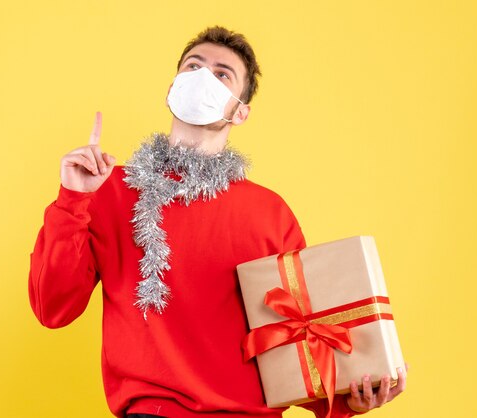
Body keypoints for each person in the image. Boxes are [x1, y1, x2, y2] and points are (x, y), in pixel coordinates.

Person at [28, 26, 407, 418]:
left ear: (239, 111)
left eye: (222, 73)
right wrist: (73, 198)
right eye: (193, 67)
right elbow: (53, 308)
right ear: (172, 88)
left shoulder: (270, 212)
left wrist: (347, 398)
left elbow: (293, 337)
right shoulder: (109, 189)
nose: (202, 77)